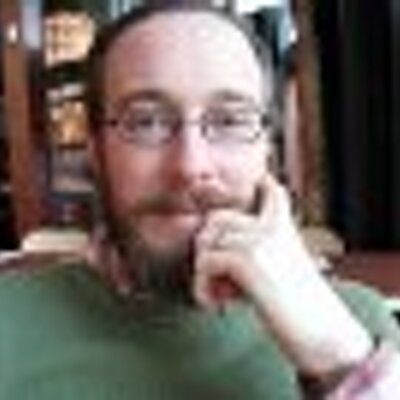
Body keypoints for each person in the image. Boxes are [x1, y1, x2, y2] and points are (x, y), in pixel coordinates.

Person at [1, 4, 400, 399]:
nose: (191, 167)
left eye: (229, 121)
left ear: (267, 151)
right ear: (96, 151)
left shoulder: (354, 326)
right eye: (146, 122)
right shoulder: (9, 318)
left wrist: (341, 363)